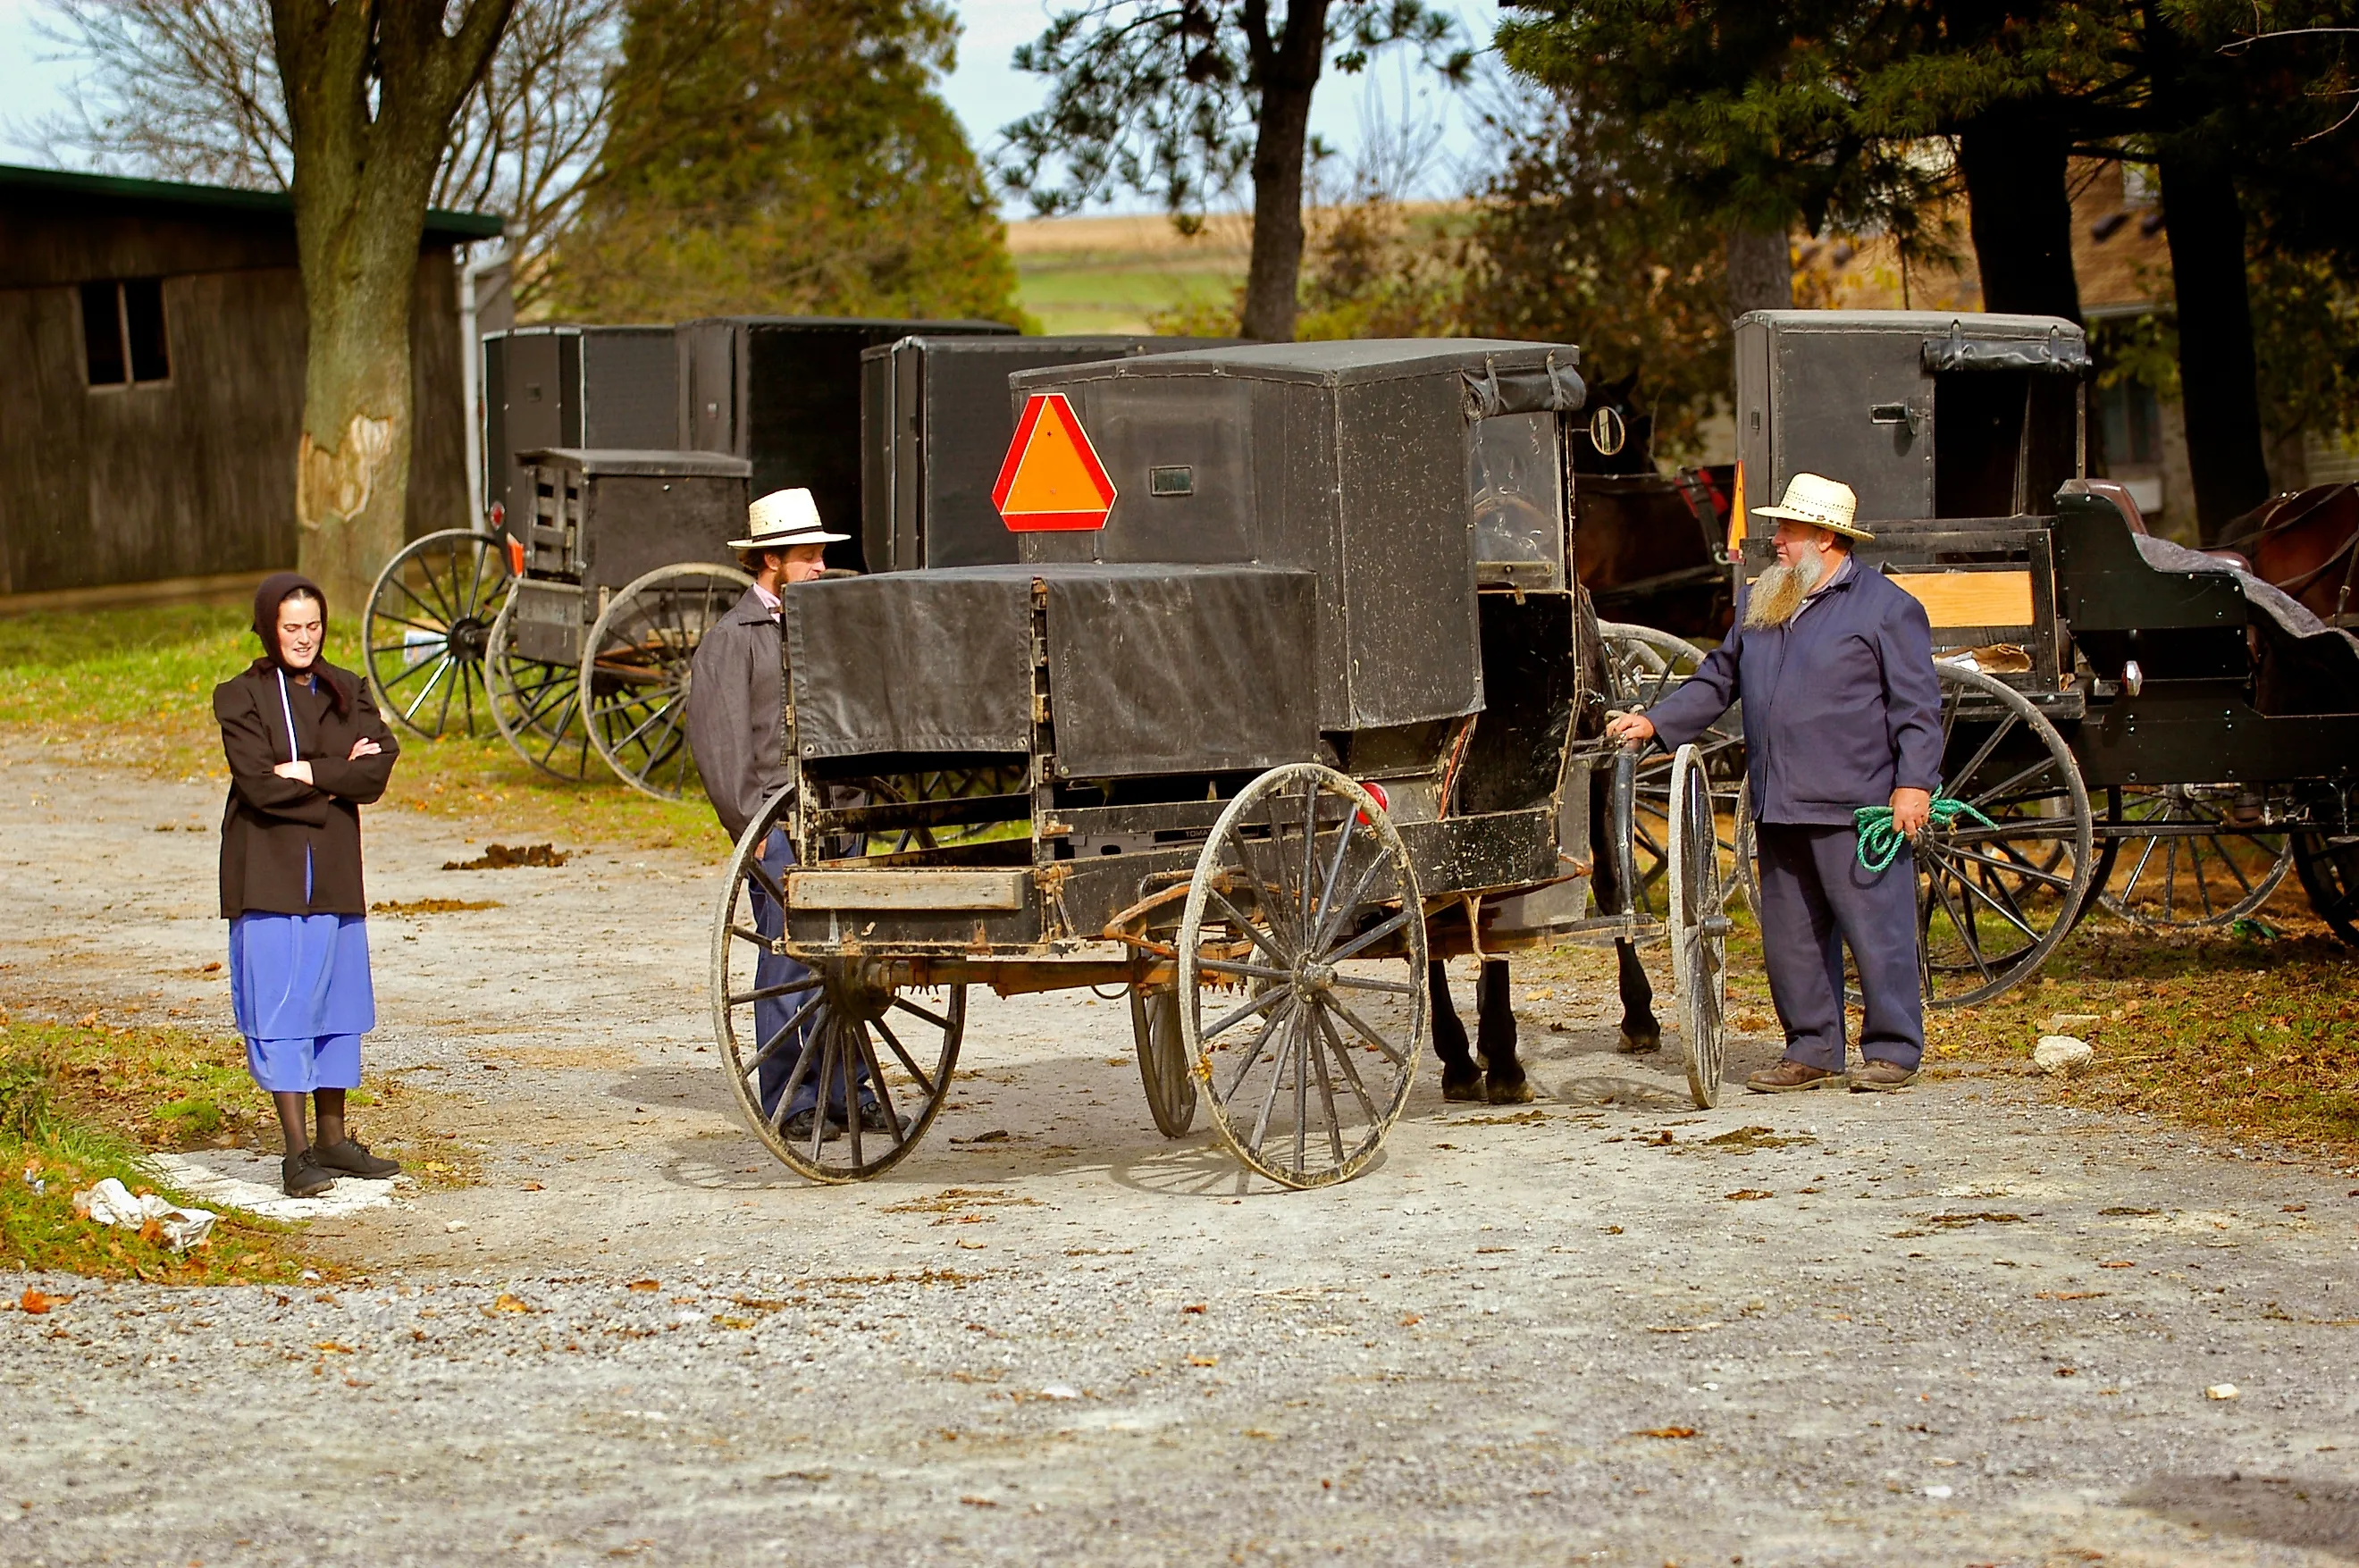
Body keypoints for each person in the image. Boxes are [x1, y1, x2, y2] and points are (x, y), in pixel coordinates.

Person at [1607, 473, 1942, 1094]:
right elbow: (1716, 679)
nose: (1777, 541)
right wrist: (1655, 722)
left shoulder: (1888, 609)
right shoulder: (1766, 599)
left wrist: (1914, 785)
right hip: (1780, 800)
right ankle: (1812, 1047)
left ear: (1825, 536)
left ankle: (1894, 1048)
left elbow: (1917, 708)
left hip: (1857, 804)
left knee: (1879, 930)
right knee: (1792, 940)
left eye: (1787, 530)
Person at [686, 488, 888, 1141]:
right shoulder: (731, 642)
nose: (821, 568)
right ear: (772, 561)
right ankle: (791, 1095)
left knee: (849, 963)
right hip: (777, 825)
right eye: (808, 557)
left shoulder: (820, 629)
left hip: (835, 820)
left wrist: (855, 809)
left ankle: (848, 1090)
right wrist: (758, 830)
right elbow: (721, 748)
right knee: (789, 963)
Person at [215, 573, 404, 1195]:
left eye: (313, 626)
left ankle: (332, 1138)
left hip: (332, 874)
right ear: (270, 626)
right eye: (291, 627)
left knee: (337, 1007)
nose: (303, 638)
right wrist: (335, 776)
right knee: (282, 1005)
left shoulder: (347, 689)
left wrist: (305, 770)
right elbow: (258, 784)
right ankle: (297, 1154)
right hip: (266, 874)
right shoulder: (239, 697)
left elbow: (376, 770)